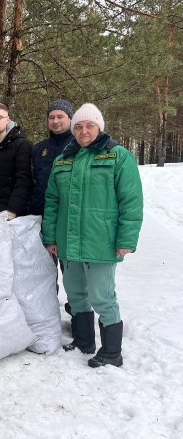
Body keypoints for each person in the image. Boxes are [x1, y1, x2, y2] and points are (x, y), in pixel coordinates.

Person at [42, 103, 143, 368]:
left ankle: (112, 352)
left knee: (102, 296)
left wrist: (126, 240)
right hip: (68, 240)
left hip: (101, 241)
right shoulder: (64, 159)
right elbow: (52, 201)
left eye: (89, 126)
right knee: (75, 293)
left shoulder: (118, 156)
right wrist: (51, 237)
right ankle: (84, 340)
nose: (83, 131)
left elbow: (131, 201)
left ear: (99, 127)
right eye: (78, 126)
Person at [30, 99, 74, 216]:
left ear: (70, 118)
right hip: (40, 212)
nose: (55, 121)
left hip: (67, 212)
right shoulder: (38, 149)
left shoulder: (79, 146)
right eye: (51, 117)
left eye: (60, 117)